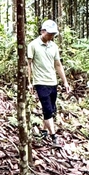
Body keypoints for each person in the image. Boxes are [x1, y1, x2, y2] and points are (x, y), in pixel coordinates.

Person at [27, 19, 70, 147]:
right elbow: (28, 64)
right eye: (49, 33)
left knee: (52, 109)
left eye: (53, 34)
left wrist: (65, 82)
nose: (51, 36)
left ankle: (44, 131)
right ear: (42, 31)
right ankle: (53, 137)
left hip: (53, 82)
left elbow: (58, 65)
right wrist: (29, 82)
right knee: (47, 109)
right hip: (40, 82)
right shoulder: (33, 45)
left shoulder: (54, 46)